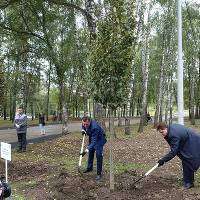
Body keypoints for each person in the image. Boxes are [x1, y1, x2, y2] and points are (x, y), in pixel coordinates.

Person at [157, 122, 200, 189]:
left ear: (166, 128)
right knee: (186, 160)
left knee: (188, 160)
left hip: (193, 142)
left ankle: (189, 183)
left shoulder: (173, 135)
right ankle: (188, 180)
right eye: (160, 133)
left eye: (162, 132)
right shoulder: (170, 128)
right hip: (188, 141)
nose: (162, 134)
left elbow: (173, 152)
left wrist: (163, 160)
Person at [80, 116, 107, 181]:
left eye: (87, 124)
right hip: (92, 137)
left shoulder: (95, 127)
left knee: (98, 155)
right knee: (91, 152)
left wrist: (85, 151)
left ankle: (99, 173)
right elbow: (83, 126)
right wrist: (83, 130)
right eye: (84, 124)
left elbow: (94, 142)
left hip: (99, 139)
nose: (85, 125)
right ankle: (89, 168)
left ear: (90, 121)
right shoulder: (84, 122)